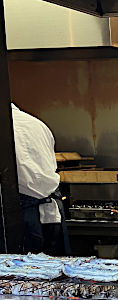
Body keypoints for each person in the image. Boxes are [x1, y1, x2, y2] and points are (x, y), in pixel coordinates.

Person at [12, 103, 70, 255]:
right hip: (50, 206)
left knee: (22, 273)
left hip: (22, 212)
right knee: (54, 271)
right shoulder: (37, 124)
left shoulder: (6, 126)